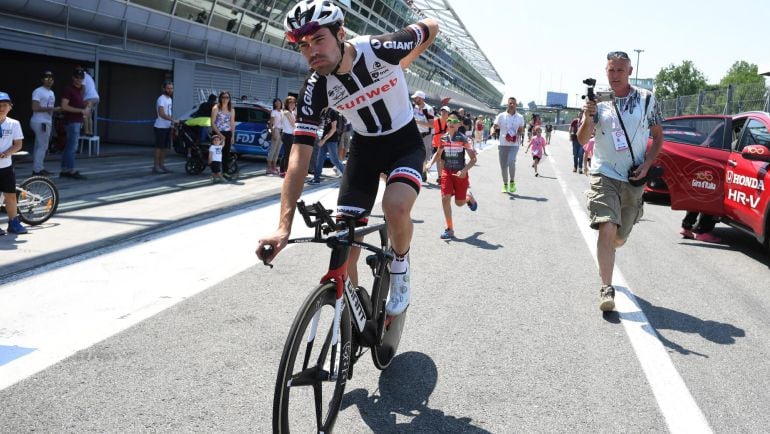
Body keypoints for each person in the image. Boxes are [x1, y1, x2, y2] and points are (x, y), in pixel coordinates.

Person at [256, 0, 439, 316]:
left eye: (319, 40)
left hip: (404, 142)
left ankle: (400, 262)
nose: (312, 52)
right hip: (364, 151)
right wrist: (283, 226)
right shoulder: (315, 88)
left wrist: (404, 60)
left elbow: (432, 25)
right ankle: (351, 322)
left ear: (340, 33)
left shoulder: (382, 48)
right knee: (344, 249)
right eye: (303, 46)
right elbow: (299, 157)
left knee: (394, 206)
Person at [578, 50, 663, 312]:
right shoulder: (599, 101)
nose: (615, 75)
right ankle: (606, 288)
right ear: (605, 71)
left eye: (620, 70)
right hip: (604, 172)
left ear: (629, 72)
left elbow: (658, 137)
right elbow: (582, 140)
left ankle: (616, 241)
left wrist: (647, 164)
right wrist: (588, 117)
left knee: (620, 235)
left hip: (632, 178)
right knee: (606, 227)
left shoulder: (647, 99)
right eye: (610, 70)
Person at [425, 110, 477, 240]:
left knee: (459, 203)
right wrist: (429, 164)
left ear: (459, 124)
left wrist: (464, 170)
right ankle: (449, 229)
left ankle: (468, 197)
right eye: (449, 120)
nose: (451, 123)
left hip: (460, 173)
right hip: (447, 172)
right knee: (445, 199)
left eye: (454, 121)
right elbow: (438, 154)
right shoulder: (443, 138)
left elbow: (473, 159)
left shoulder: (464, 139)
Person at [0, 91, 29, 235]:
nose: (2, 108)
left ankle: (13, 223)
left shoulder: (14, 124)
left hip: (6, 166)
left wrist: (6, 153)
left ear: (10, 107)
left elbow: (18, 144)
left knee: (10, 195)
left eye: (5, 105)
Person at [59, 68, 89, 179]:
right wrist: (81, 111)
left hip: (76, 121)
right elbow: (64, 106)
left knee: (69, 146)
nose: (79, 79)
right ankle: (70, 170)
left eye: (81, 78)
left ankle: (65, 169)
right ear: (73, 77)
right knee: (72, 147)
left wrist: (85, 105)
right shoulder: (69, 89)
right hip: (72, 121)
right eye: (77, 77)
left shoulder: (80, 90)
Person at [493, 96, 525, 193]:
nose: (512, 105)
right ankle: (505, 184)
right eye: (510, 103)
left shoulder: (520, 117)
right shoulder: (501, 116)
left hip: (514, 144)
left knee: (511, 161)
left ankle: (512, 182)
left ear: (516, 105)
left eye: (514, 104)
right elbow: (494, 126)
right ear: (507, 104)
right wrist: (492, 131)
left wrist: (517, 134)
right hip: (502, 144)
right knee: (503, 166)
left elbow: (521, 129)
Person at [30, 70, 57, 176]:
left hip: (46, 121)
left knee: (39, 146)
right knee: (43, 146)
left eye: (51, 79)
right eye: (46, 78)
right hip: (40, 121)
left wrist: (52, 110)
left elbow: (49, 108)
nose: (49, 80)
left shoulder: (51, 92)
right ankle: (38, 170)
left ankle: (38, 168)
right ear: (42, 80)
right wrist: (52, 109)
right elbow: (35, 107)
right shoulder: (38, 91)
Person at [309, 107, 345, 184]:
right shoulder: (323, 112)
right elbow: (321, 126)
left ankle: (347, 177)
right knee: (320, 159)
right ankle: (316, 178)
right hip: (323, 139)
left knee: (334, 160)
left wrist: (323, 140)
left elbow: (333, 129)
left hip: (331, 140)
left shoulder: (333, 112)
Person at [210, 91, 236, 178]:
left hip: (227, 133)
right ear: (220, 98)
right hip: (218, 134)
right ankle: (215, 173)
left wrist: (232, 135)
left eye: (227, 97)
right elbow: (212, 123)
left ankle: (225, 172)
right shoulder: (216, 108)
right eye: (223, 97)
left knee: (226, 154)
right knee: (216, 154)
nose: (225, 99)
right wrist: (220, 135)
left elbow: (232, 123)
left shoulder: (231, 109)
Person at [152, 81, 176, 174]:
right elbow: (161, 114)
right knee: (159, 147)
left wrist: (171, 122)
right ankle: (156, 166)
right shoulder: (161, 99)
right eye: (168, 88)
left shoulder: (169, 99)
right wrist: (173, 120)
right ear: (164, 89)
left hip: (167, 126)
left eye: (171, 88)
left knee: (164, 147)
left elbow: (168, 112)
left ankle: (162, 165)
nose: (170, 90)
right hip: (160, 127)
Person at [411, 90, 434, 181]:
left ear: (420, 99)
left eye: (415, 98)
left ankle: (423, 172)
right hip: (415, 133)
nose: (414, 99)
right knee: (412, 152)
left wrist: (417, 122)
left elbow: (431, 125)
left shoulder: (428, 109)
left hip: (426, 135)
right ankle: (415, 171)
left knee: (423, 155)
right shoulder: (414, 107)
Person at [430, 106, 450, 182]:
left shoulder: (449, 122)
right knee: (438, 159)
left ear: (448, 113)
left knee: (443, 161)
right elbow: (429, 128)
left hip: (446, 144)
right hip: (436, 143)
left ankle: (442, 176)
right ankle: (440, 176)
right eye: (442, 111)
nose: (443, 113)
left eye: (445, 112)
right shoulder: (435, 121)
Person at [278, 95, 296, 177]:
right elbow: (293, 123)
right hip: (287, 135)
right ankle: (283, 170)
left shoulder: (291, 112)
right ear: (287, 103)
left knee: (288, 153)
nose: (292, 104)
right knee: (287, 154)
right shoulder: (286, 112)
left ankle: (284, 170)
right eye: (290, 103)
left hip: (290, 135)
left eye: (294, 103)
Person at [81, 68, 100, 136]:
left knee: (85, 115)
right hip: (96, 98)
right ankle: (90, 132)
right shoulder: (90, 77)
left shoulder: (83, 76)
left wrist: (81, 97)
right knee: (89, 115)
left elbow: (83, 88)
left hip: (89, 98)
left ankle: (86, 132)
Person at [267, 97, 283, 175]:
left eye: (279, 102)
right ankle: (269, 168)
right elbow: (271, 124)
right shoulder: (274, 112)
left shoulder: (283, 112)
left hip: (282, 131)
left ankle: (274, 166)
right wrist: (273, 134)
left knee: (277, 150)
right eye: (276, 103)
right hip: (276, 130)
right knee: (273, 150)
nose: (278, 104)